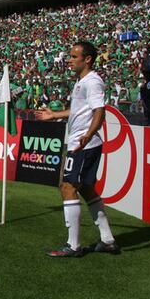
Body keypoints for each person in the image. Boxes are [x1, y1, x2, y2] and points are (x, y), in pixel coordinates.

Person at [36, 41, 120, 257]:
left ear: (87, 59)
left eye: (74, 57)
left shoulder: (92, 82)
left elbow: (99, 111)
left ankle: (73, 246)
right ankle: (108, 240)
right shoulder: (81, 81)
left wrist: (88, 135)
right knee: (85, 188)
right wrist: (55, 115)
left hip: (83, 143)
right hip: (81, 140)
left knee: (67, 186)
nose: (69, 60)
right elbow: (79, 111)